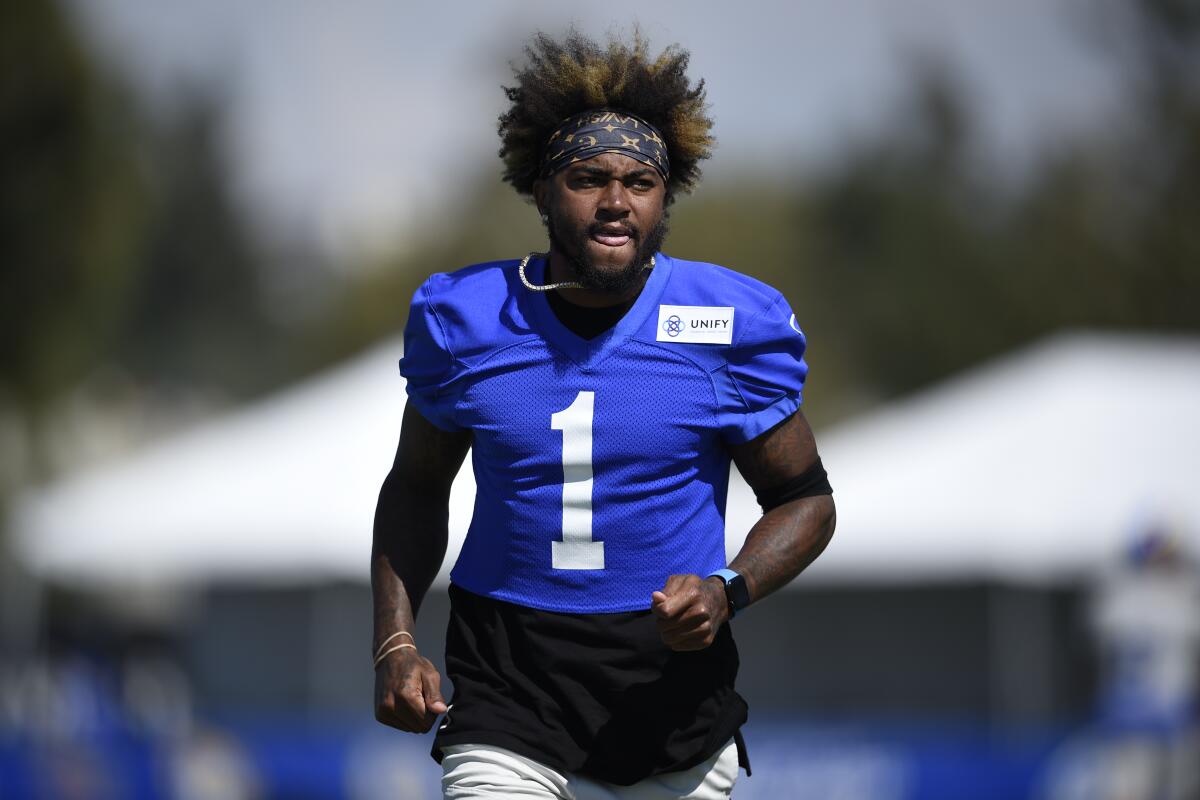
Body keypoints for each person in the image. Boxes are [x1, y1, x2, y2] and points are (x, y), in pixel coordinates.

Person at [371, 30, 836, 799]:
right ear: (542, 188)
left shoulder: (727, 321)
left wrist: (727, 588)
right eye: (589, 177)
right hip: (507, 686)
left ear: (666, 194)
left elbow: (805, 499)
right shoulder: (464, 318)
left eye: (640, 181)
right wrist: (394, 640)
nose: (616, 202)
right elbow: (416, 487)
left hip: (672, 708)